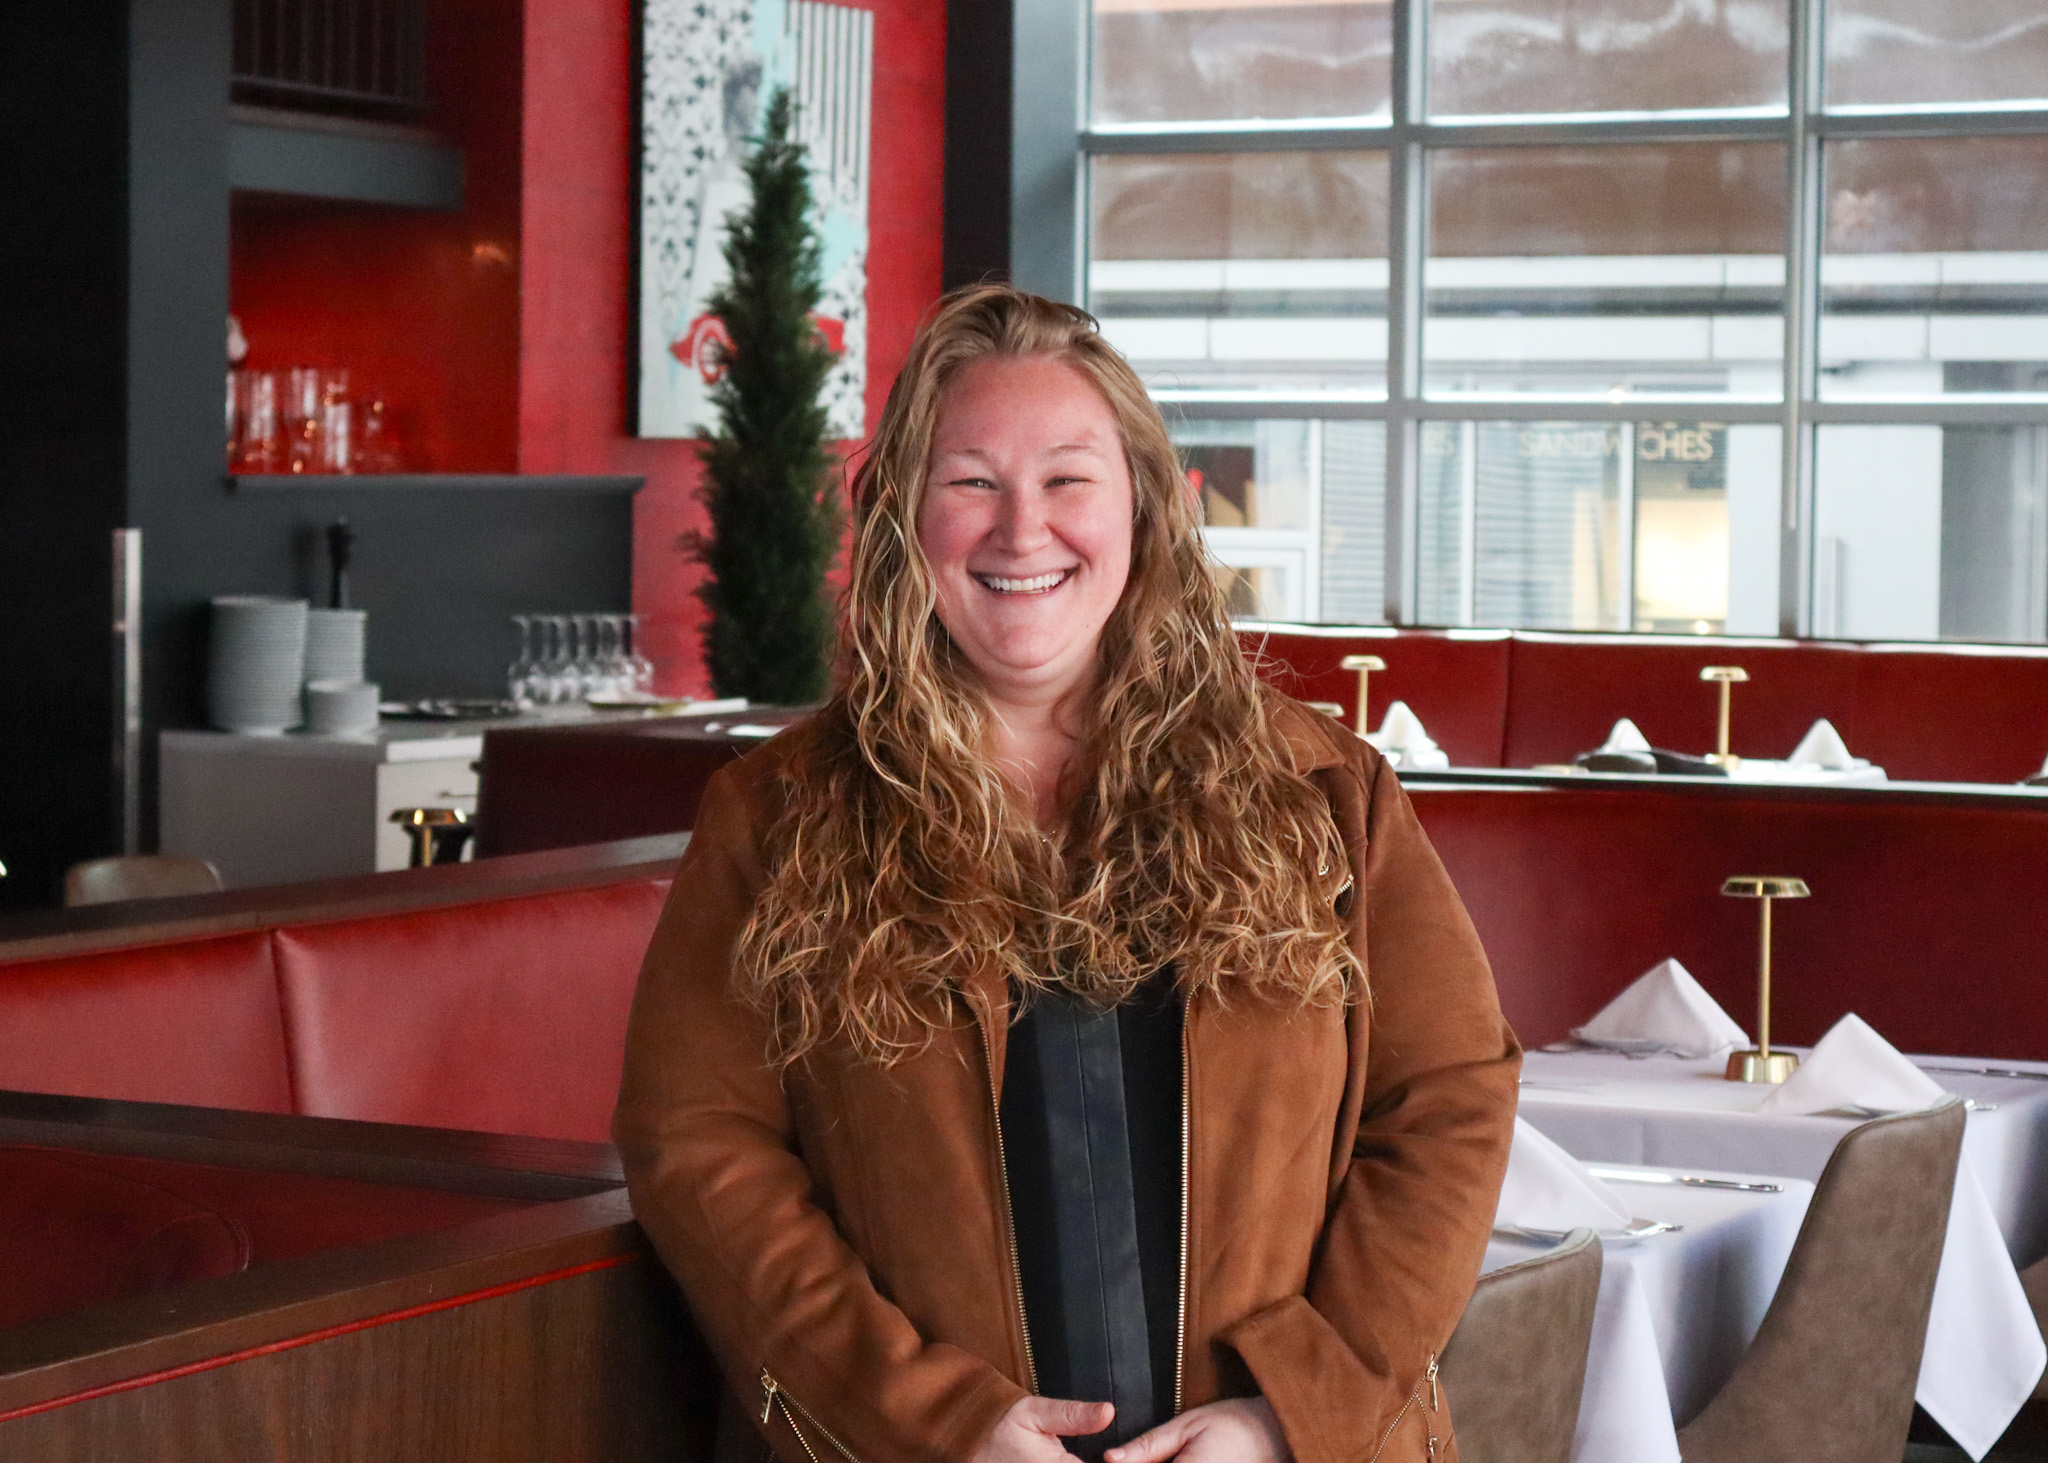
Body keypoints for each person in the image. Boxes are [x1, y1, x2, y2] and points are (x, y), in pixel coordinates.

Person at [615, 285, 1519, 1463]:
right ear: (901, 515)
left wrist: (1290, 1411)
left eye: (1066, 478)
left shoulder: (1323, 793)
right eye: (970, 481)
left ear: (1142, 504)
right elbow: (697, 1143)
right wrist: (927, 1421)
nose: (1019, 530)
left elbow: (1447, 1103)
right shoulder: (775, 815)